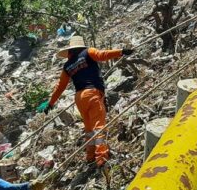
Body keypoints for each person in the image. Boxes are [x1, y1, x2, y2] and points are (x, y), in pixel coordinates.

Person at [38, 36, 132, 167]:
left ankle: (90, 156)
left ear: (70, 52)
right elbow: (102, 55)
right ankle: (101, 157)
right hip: (92, 93)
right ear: (81, 47)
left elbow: (60, 87)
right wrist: (121, 51)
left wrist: (51, 104)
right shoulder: (88, 52)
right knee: (99, 125)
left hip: (79, 97)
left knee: (89, 128)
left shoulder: (67, 66)